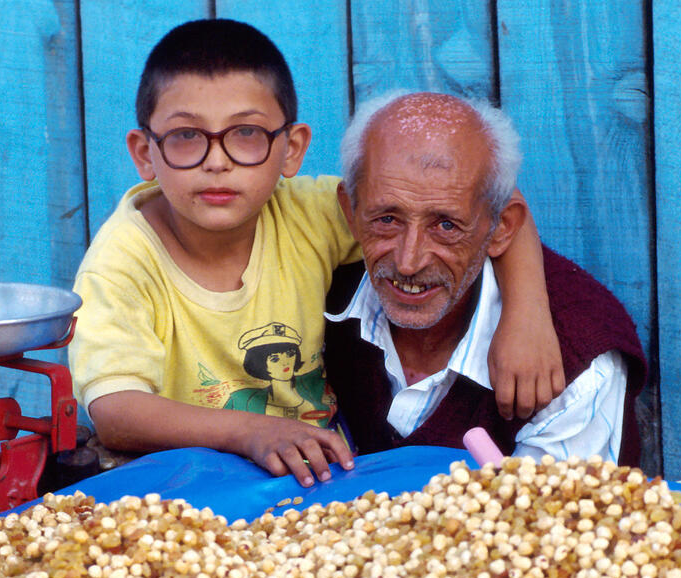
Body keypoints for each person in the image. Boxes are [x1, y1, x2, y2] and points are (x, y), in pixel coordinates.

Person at [68, 19, 565, 488]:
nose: (216, 161)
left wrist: (526, 318)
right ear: (144, 153)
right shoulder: (122, 263)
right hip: (191, 493)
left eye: (246, 134)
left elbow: (495, 207)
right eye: (186, 137)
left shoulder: (307, 214)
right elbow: (115, 411)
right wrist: (250, 432)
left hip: (320, 483)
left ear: (292, 148)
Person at [323, 92, 648, 464]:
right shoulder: (317, 279)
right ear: (351, 211)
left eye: (446, 226)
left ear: (501, 228)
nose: (408, 261)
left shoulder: (575, 360)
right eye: (387, 220)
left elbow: (557, 503)